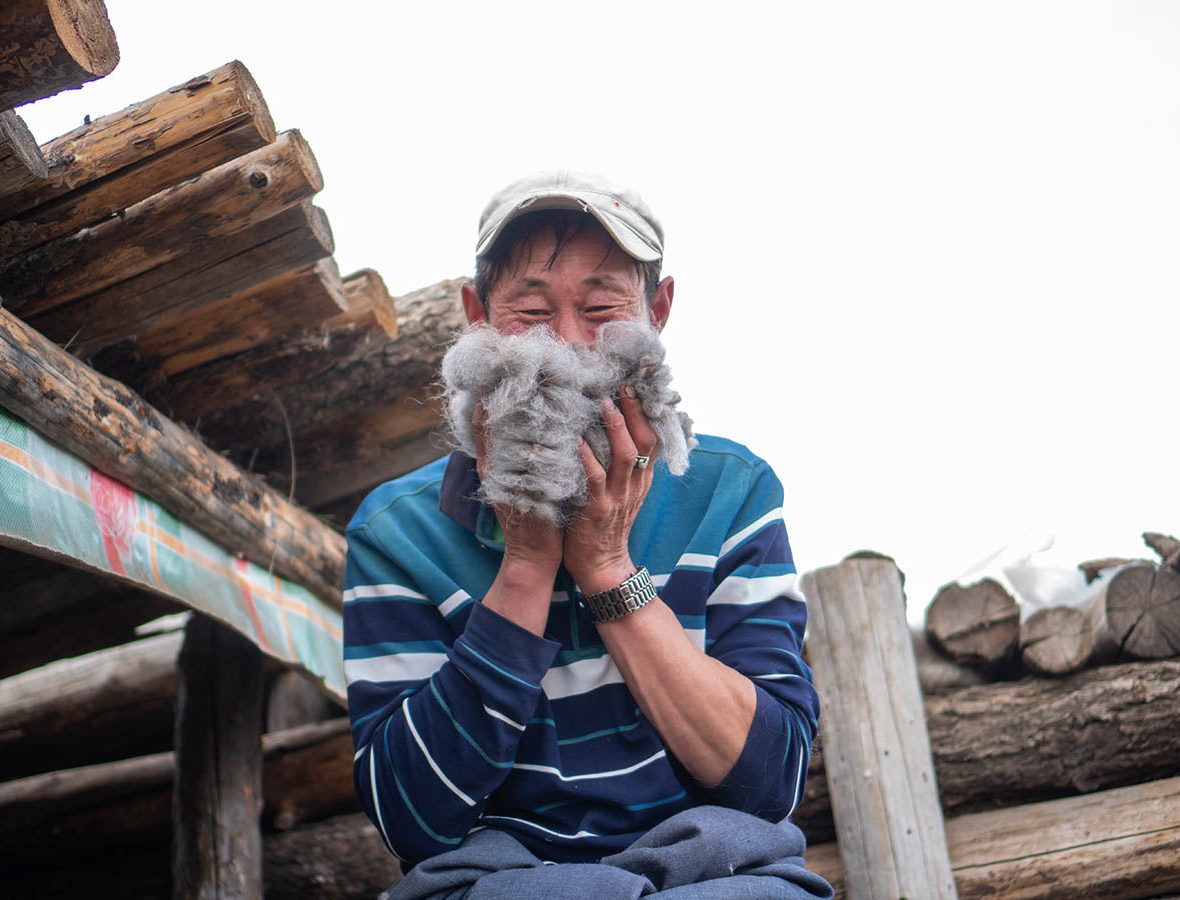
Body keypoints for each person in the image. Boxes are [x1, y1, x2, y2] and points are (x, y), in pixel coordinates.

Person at [343, 171, 832, 899]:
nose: (568, 345)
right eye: (532, 312)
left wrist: (607, 568)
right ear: (476, 315)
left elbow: (771, 782)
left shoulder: (733, 492)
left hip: (717, 878)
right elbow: (410, 818)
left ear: (657, 310)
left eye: (602, 307)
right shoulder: (396, 532)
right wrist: (528, 566)